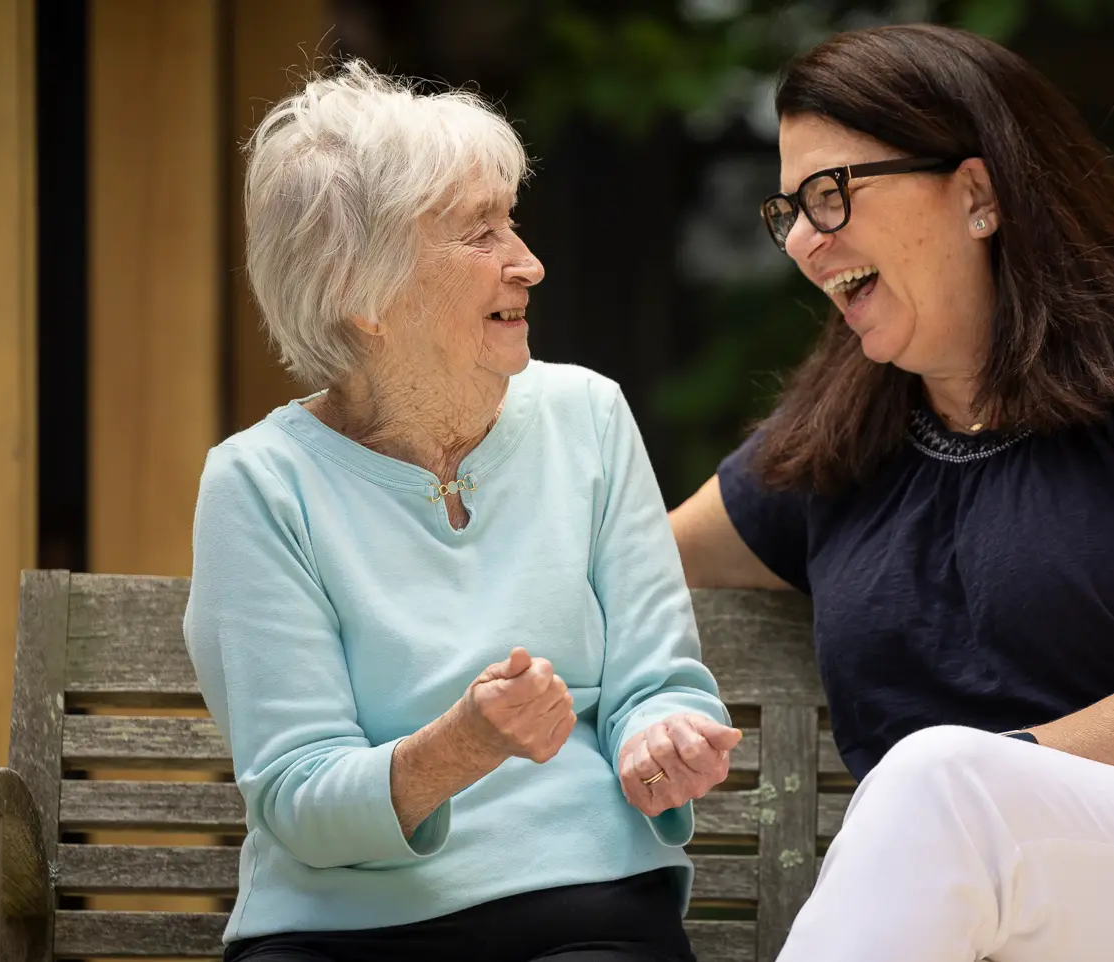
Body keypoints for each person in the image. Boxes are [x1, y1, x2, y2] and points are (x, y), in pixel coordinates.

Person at [670, 23, 1114, 962]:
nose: (806, 243)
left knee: (935, 775)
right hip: (993, 922)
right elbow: (637, 564)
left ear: (978, 194)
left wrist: (975, 788)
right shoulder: (835, 441)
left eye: (831, 194)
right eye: (789, 212)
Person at [183, 60, 737, 962]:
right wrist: (459, 747)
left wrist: (659, 738)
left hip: (581, 904)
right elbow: (296, 795)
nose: (529, 262)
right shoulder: (258, 485)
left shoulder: (588, 418)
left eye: (511, 220)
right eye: (482, 233)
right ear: (357, 287)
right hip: (334, 932)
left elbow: (655, 680)